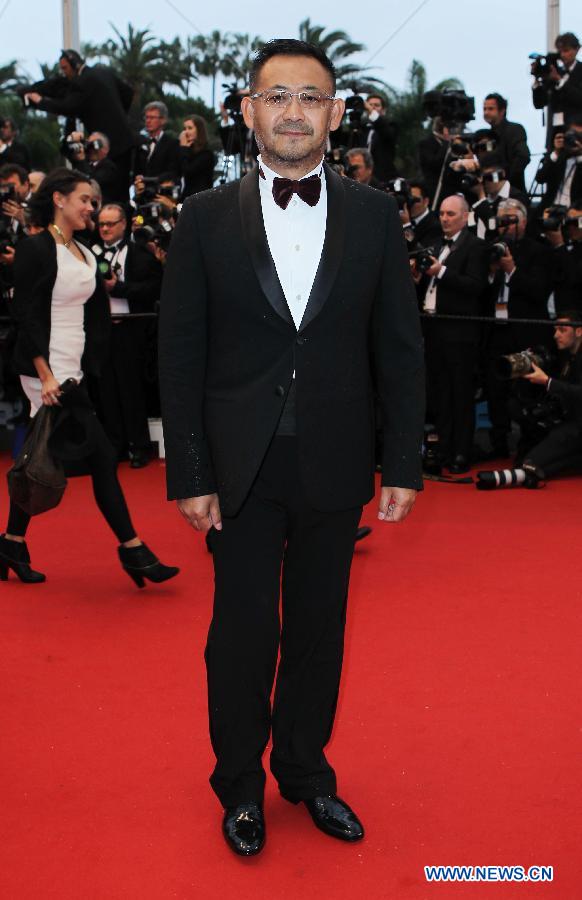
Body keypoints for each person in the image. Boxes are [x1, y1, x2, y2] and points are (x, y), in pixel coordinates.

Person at [159, 39, 424, 857]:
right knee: (241, 632)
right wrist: (190, 471)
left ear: (336, 114)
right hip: (241, 464)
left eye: (311, 97)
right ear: (248, 111)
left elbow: (399, 347)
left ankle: (305, 772)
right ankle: (238, 782)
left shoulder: (376, 216)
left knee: (320, 627)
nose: (294, 112)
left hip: (337, 458)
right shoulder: (203, 219)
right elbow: (180, 351)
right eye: (278, 96)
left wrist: (405, 462)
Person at [0, 168, 178, 588]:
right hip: (47, 371)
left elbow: (94, 309)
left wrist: (91, 363)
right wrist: (44, 375)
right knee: (101, 457)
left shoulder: (81, 249)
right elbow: (25, 315)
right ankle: (134, 550)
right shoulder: (34, 248)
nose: (90, 208)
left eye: (94, 202)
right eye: (84, 199)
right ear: (59, 199)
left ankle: (11, 542)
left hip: (73, 368)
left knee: (41, 455)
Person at [413, 194, 488, 473]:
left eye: (451, 214)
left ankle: (461, 452)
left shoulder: (476, 247)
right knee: (440, 393)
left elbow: (476, 286)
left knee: (461, 394)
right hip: (432, 330)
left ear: (465, 216)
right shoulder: (433, 245)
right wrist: (420, 277)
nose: (444, 218)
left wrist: (441, 271)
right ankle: (442, 449)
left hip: (460, 334)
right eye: (442, 214)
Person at [476, 313, 582, 489]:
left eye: (562, 330)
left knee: (533, 461)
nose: (556, 335)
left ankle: (522, 472)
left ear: (579, 331)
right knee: (535, 463)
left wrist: (547, 382)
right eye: (555, 330)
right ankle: (524, 473)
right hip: (569, 422)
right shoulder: (567, 355)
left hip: (576, 427)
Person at [483, 199, 551, 458]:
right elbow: (482, 292)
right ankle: (498, 444)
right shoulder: (492, 250)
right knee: (495, 390)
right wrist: (491, 271)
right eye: (502, 221)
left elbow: (539, 291)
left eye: (511, 220)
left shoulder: (538, 251)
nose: (506, 226)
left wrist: (512, 269)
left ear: (523, 221)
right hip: (497, 331)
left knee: (526, 390)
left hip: (526, 332)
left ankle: (529, 446)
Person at [96, 203, 163, 467]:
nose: (104, 229)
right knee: (107, 391)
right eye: (101, 224)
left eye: (110, 224)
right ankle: (115, 446)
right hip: (103, 330)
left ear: (123, 224)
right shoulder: (90, 255)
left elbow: (155, 287)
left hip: (131, 329)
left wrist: (119, 288)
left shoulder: (140, 255)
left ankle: (139, 445)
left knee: (131, 390)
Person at [24, 50, 135, 186]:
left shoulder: (81, 81)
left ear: (75, 65)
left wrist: (41, 101)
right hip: (126, 139)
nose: (64, 73)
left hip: (108, 145)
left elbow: (67, 107)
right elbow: (128, 93)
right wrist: (118, 115)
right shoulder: (102, 72)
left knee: (107, 185)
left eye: (65, 68)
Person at [532, 32, 582, 148]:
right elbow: (539, 103)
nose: (563, 55)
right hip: (555, 134)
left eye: (566, 50)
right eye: (560, 51)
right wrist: (537, 81)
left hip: (577, 133)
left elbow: (579, 98)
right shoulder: (555, 71)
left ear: (577, 49)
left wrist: (560, 81)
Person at [482, 94, 530, 192]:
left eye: (491, 109)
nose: (486, 112)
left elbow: (523, 156)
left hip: (512, 191)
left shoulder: (515, 129)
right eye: (484, 109)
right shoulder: (486, 135)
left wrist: (505, 182)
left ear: (502, 111)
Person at [68, 131, 128, 205]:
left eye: (95, 145)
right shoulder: (86, 164)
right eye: (89, 145)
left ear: (106, 149)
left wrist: (82, 160)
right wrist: (73, 141)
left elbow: (92, 183)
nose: (91, 149)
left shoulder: (109, 167)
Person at [536, 116, 582, 210]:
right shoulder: (558, 159)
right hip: (552, 209)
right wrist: (556, 153)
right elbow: (540, 179)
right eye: (572, 136)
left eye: (579, 136)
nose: (574, 141)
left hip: (575, 212)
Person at [134, 102, 181, 186]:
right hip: (140, 194)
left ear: (163, 120)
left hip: (161, 194)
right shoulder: (140, 142)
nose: (148, 121)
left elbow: (173, 171)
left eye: (152, 117)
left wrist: (148, 180)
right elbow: (136, 170)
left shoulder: (172, 143)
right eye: (146, 117)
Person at [179, 114, 215, 199]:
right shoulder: (186, 150)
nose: (185, 132)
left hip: (200, 199)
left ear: (199, 130)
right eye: (185, 129)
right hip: (184, 198)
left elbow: (188, 170)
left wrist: (183, 148)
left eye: (190, 128)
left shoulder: (206, 154)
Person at [363, 94, 398, 181]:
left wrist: (372, 113)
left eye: (377, 105)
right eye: (370, 105)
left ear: (383, 110)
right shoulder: (361, 128)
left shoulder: (391, 125)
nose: (372, 108)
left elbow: (387, 134)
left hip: (382, 177)